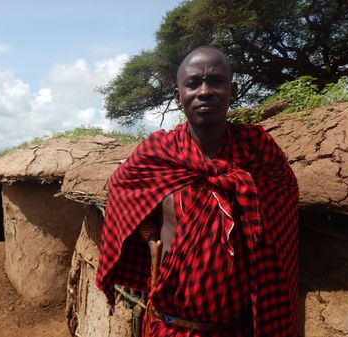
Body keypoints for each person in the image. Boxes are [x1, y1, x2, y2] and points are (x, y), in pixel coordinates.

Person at [96, 46, 299, 336]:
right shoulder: (158, 154)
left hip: (238, 328)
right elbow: (122, 191)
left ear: (234, 90)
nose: (204, 91)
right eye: (192, 83)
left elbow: (282, 216)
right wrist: (150, 234)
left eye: (216, 81)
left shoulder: (257, 151)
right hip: (171, 326)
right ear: (178, 96)